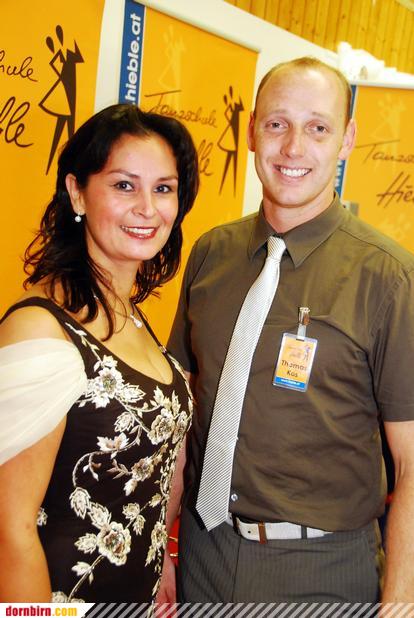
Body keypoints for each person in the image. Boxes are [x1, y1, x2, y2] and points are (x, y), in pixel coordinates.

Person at [166, 57, 414, 604]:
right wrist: (160, 549)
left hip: (322, 573)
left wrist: (400, 603)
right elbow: (182, 417)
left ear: (346, 140)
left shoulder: (390, 278)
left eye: (317, 127)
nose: (293, 147)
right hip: (203, 557)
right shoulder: (211, 254)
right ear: (252, 131)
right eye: (277, 124)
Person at [0, 103, 199, 603]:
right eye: (124, 185)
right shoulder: (41, 330)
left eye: (163, 189)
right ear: (77, 192)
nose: (147, 208)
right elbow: (8, 529)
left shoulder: (132, 315)